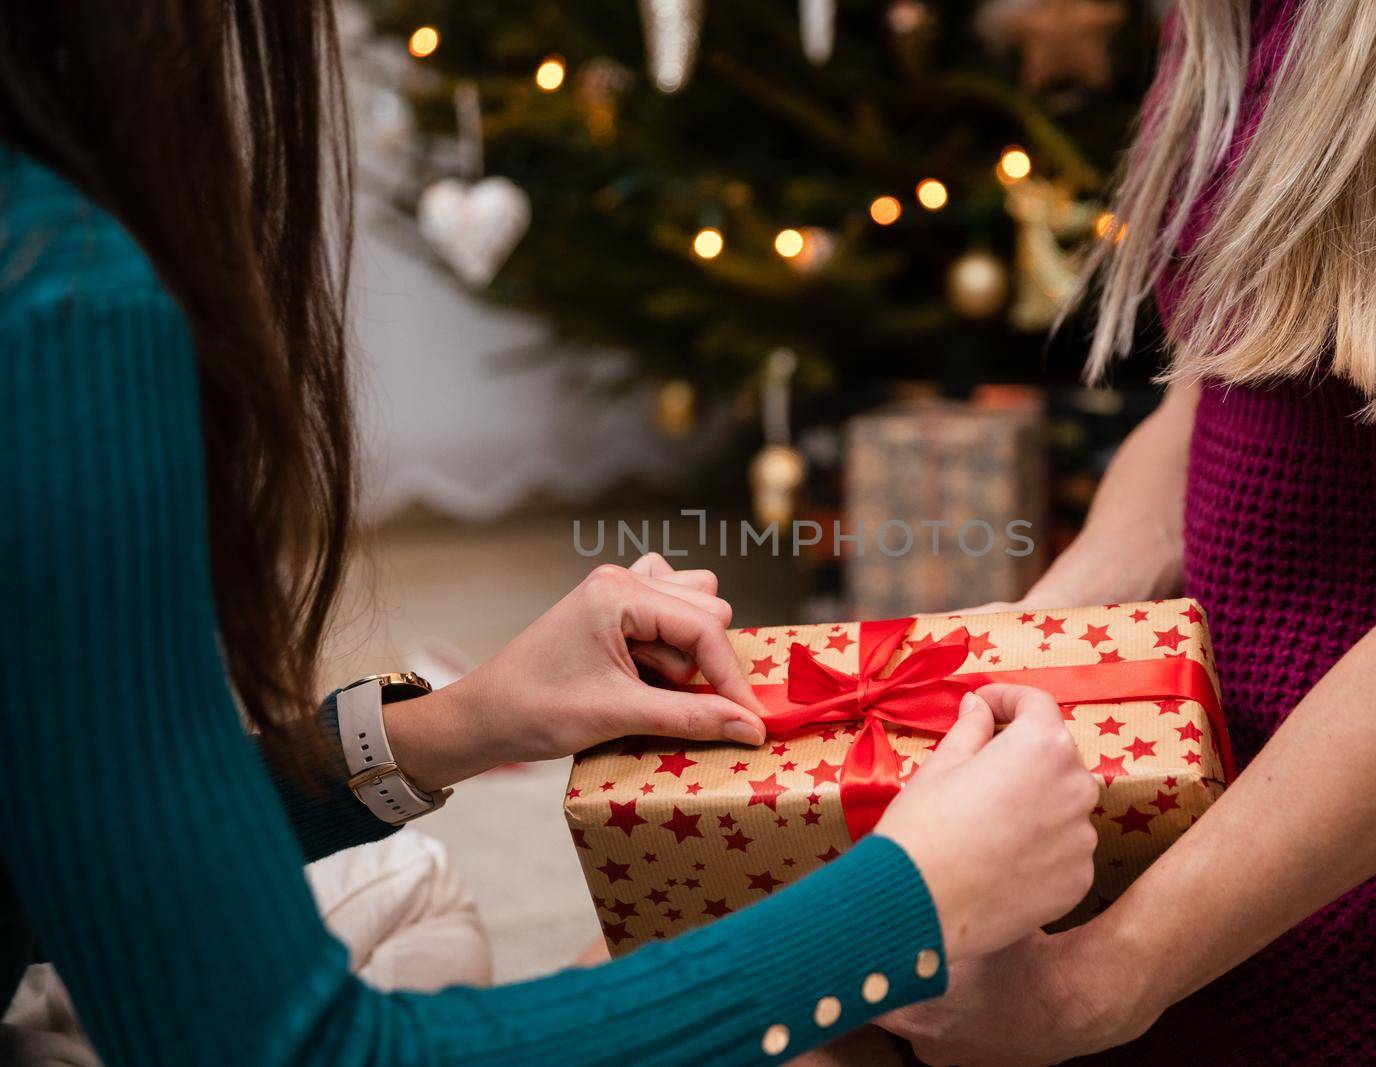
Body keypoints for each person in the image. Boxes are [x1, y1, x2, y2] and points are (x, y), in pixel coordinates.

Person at [0, 5, 1104, 1065]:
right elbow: (296, 1048)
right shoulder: (56, 305)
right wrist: (906, 905)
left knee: (420, 888)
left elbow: (55, 836)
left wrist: (452, 724)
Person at [880, 0, 1376, 1064]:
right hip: (1197, 792)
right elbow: (1205, 416)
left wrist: (1100, 978)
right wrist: (1025, 650)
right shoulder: (1215, 16)